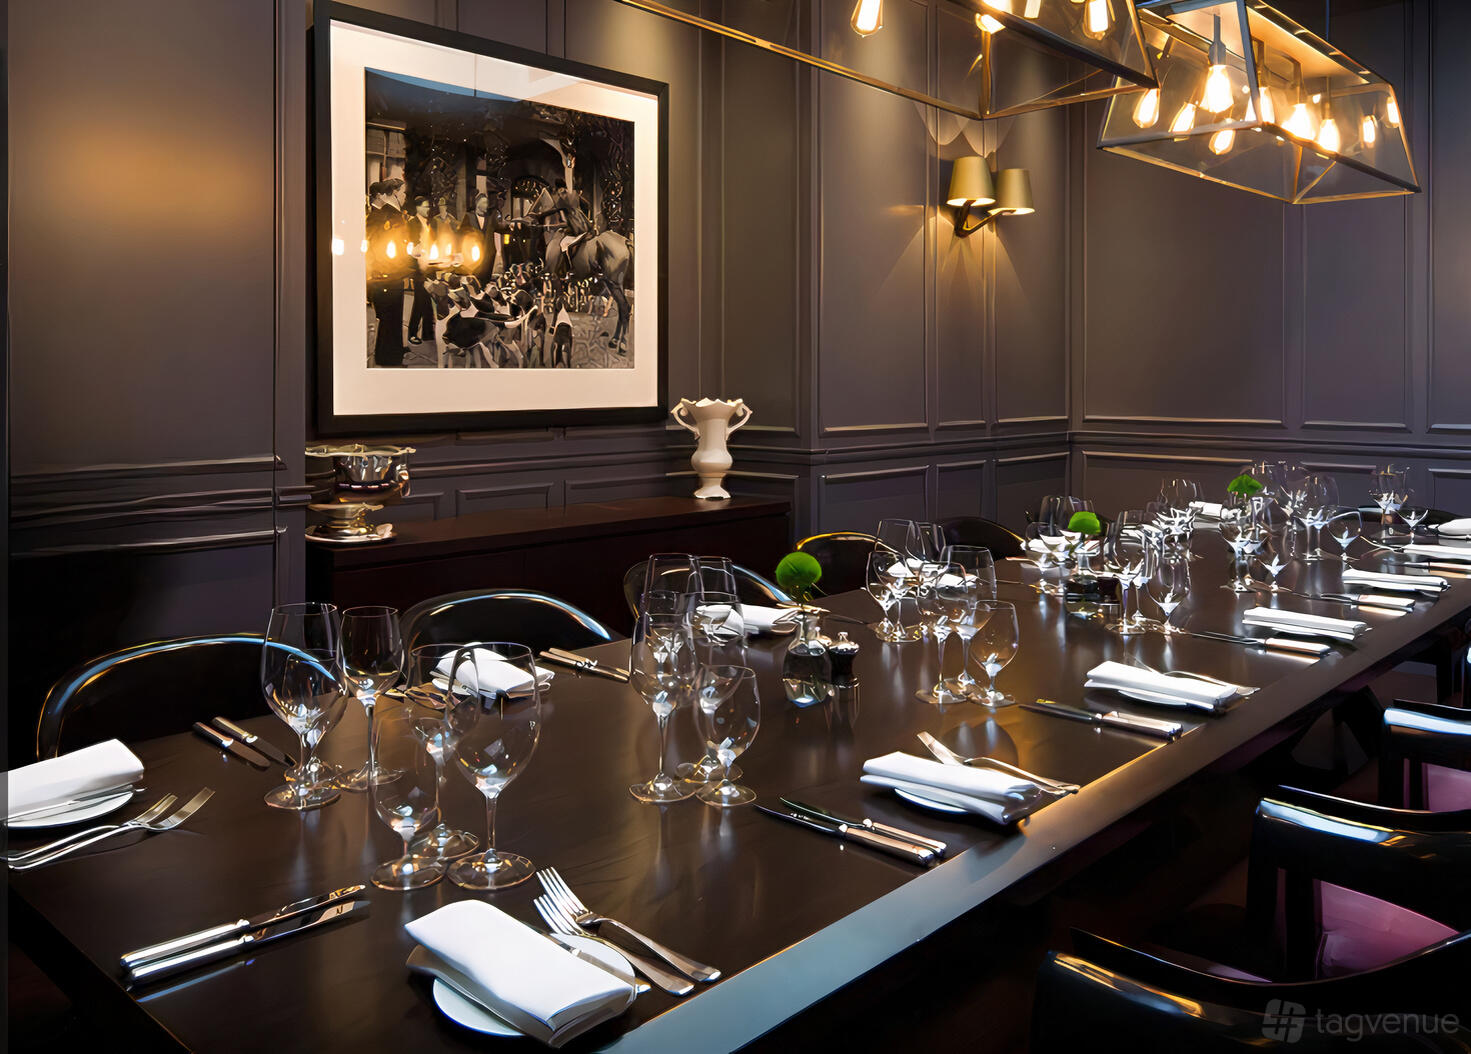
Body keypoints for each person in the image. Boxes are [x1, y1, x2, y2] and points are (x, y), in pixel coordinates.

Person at [366, 177, 410, 367]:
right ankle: (388, 359)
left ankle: (393, 355)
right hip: (386, 276)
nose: (405, 195)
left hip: (393, 274)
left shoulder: (394, 214)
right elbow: (376, 245)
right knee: (388, 319)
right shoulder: (384, 215)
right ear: (394, 193)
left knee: (393, 318)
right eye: (403, 192)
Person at [459, 190, 513, 284]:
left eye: (487, 203)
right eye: (484, 203)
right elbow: (461, 234)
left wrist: (510, 226)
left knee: (485, 280)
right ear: (477, 204)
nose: (486, 205)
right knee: (474, 280)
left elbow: (499, 227)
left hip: (488, 256)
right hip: (473, 257)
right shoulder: (469, 217)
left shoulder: (490, 218)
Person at [405, 195, 434, 346]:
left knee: (427, 300)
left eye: (428, 206)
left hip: (429, 265)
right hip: (418, 267)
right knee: (420, 301)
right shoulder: (413, 222)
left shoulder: (427, 223)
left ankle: (428, 333)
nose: (427, 209)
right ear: (417, 207)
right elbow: (412, 244)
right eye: (424, 206)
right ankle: (412, 333)